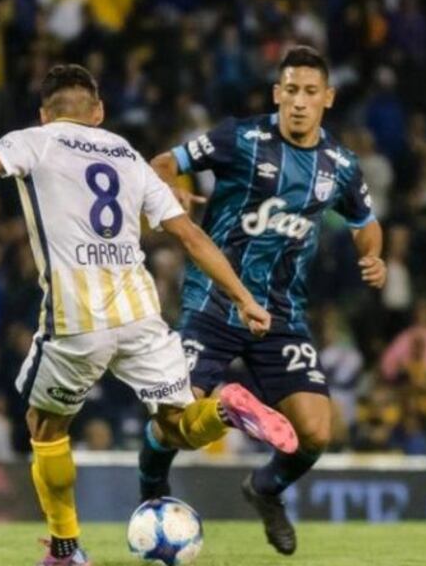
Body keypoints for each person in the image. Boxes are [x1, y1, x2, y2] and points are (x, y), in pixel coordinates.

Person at [0, 65, 297, 566]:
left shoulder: (37, 140)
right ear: (98, 112)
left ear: (44, 113)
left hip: (79, 319)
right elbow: (190, 236)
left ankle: (66, 549)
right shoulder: (129, 156)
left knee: (45, 426)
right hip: (141, 314)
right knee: (178, 425)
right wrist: (244, 297)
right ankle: (225, 409)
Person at [138, 46, 386, 556]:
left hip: (281, 316)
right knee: (173, 417)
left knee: (315, 432)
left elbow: (365, 222)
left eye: (310, 92)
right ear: (277, 93)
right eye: (290, 90)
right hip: (214, 304)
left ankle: (266, 489)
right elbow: (162, 163)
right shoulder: (240, 138)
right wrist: (171, 187)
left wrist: (373, 256)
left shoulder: (340, 165)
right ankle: (152, 493)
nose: (299, 101)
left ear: (328, 98)